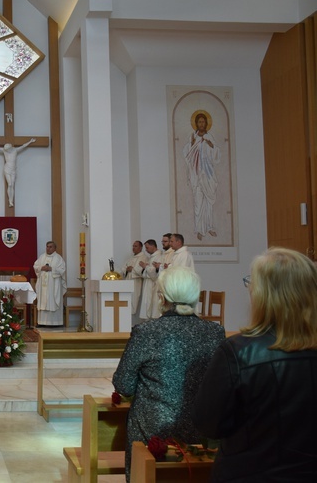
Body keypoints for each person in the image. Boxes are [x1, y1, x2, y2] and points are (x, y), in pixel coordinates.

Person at [193, 248, 317, 481]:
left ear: (264, 294)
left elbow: (209, 425)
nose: (249, 289)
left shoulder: (238, 352)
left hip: (250, 473)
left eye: (251, 282)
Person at [113, 266, 225, 481]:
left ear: (162, 298)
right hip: (201, 432)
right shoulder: (215, 332)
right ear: (196, 298)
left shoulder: (146, 332)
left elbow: (123, 385)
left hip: (153, 435)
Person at [183, 112, 221, 241]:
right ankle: (199, 230)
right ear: (196, 123)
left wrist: (211, 146)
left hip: (208, 174)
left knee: (209, 203)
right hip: (197, 175)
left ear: (206, 123)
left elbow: (216, 155)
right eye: (199, 122)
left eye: (203, 122)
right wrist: (192, 144)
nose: (201, 124)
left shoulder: (209, 136)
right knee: (198, 203)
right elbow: (187, 154)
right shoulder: (193, 136)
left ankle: (209, 227)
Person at [0, 137, 36, 207]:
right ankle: (10, 201)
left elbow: (23, 146)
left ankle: (11, 200)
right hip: (7, 169)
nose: (6, 150)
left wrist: (30, 141)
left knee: (12, 185)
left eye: (7, 149)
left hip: (13, 169)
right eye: (6, 150)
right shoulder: (4, 151)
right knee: (10, 184)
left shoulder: (15, 150)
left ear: (10, 148)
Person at [33, 241, 66, 326]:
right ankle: (42, 322)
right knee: (43, 301)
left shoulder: (59, 258)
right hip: (43, 284)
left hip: (53, 285)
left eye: (50, 247)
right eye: (47, 246)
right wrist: (41, 268)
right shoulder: (42, 257)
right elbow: (35, 266)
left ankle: (55, 322)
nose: (48, 248)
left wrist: (52, 269)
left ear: (55, 248)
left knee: (52, 300)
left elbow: (62, 270)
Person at [138, 240, 162, 319]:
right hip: (147, 283)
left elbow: (155, 274)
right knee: (147, 304)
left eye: (147, 247)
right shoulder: (151, 257)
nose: (146, 250)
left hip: (153, 284)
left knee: (152, 306)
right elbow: (149, 271)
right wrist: (145, 268)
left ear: (153, 246)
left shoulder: (159, 256)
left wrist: (146, 267)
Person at [123, 240, 148, 320]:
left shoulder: (144, 257)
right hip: (128, 282)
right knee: (127, 300)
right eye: (133, 246)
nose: (133, 248)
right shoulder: (131, 258)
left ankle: (134, 321)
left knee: (134, 301)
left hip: (136, 283)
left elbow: (142, 271)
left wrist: (132, 269)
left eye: (135, 246)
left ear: (140, 248)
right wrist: (127, 269)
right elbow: (124, 268)